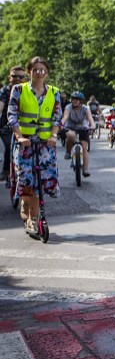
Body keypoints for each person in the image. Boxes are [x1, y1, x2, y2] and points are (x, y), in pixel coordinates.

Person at [7, 57, 62, 234]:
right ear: (29, 71)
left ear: (47, 72)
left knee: (42, 182)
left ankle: (35, 217)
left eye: (42, 69)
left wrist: (53, 136)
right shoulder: (18, 90)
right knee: (26, 180)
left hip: (46, 145)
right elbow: (12, 115)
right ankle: (29, 214)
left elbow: (56, 118)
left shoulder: (54, 92)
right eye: (36, 69)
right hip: (25, 144)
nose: (39, 73)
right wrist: (19, 136)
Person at [0, 66, 27, 180]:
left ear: (25, 78)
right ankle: (6, 170)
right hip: (7, 125)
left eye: (21, 77)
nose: (17, 79)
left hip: (25, 125)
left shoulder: (28, 90)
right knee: (9, 146)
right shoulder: (5, 90)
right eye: (14, 76)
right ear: (9, 78)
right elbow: (0, 106)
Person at [61, 91, 96, 177]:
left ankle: (85, 169)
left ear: (81, 101)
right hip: (70, 127)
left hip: (83, 128)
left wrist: (93, 126)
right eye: (73, 99)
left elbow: (90, 118)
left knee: (84, 147)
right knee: (71, 135)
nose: (74, 101)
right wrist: (61, 124)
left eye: (77, 99)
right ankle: (68, 151)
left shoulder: (85, 108)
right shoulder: (68, 107)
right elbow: (65, 117)